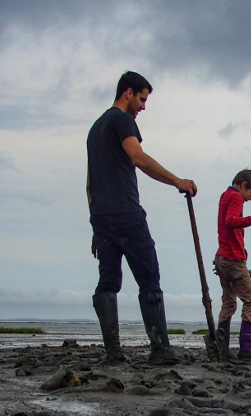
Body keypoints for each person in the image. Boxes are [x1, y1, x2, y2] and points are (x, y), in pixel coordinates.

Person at [86, 71, 198, 365]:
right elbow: (138, 157)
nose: (143, 107)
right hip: (126, 212)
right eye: (142, 99)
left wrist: (96, 226)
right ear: (128, 93)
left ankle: (113, 353)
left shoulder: (95, 129)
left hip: (101, 217)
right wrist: (177, 181)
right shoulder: (123, 121)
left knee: (108, 283)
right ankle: (160, 350)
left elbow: (89, 185)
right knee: (149, 277)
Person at [213, 169, 251, 361]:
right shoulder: (236, 196)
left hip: (222, 256)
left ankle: (221, 348)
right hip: (233, 259)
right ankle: (246, 348)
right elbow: (231, 221)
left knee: (229, 302)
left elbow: (227, 227)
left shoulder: (225, 195)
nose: (249, 199)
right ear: (244, 185)